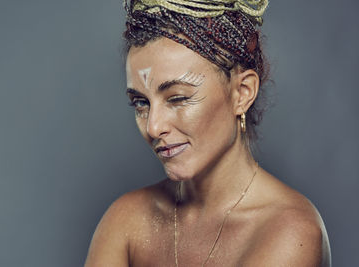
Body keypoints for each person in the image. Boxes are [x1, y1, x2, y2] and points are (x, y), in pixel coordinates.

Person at [85, 0, 331, 266]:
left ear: (242, 92)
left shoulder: (290, 230)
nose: (153, 127)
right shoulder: (126, 220)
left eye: (177, 98)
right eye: (141, 103)